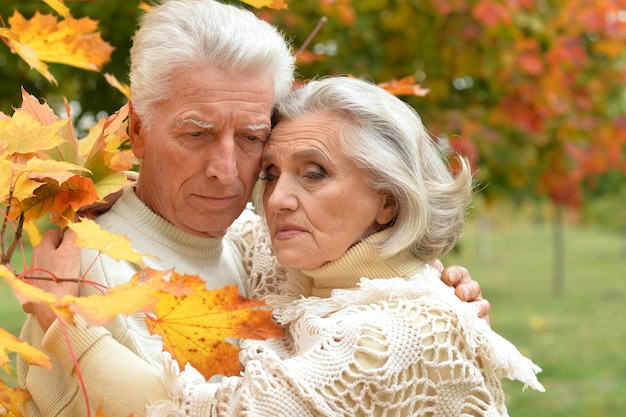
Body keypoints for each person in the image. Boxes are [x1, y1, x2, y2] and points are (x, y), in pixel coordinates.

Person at [17, 1, 488, 416]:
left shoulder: (260, 253)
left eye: (251, 139)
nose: (226, 171)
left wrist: (420, 280)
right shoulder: (89, 282)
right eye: (196, 133)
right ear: (138, 131)